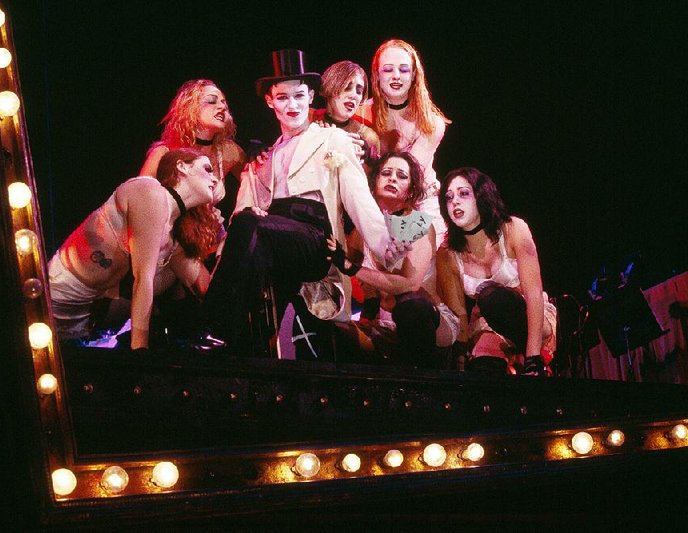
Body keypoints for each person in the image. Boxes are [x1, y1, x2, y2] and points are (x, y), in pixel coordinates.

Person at [196, 49, 405, 354]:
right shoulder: (262, 161)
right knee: (249, 224)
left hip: (315, 239)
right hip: (272, 240)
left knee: (254, 224)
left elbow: (358, 195)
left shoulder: (332, 139)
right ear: (270, 101)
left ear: (310, 97)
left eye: (298, 96)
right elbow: (241, 218)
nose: (291, 105)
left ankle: (217, 329)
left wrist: (386, 248)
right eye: (282, 98)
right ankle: (237, 345)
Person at [48, 148, 219, 350]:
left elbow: (206, 288)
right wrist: (140, 351)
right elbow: (143, 279)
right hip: (52, 298)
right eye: (207, 169)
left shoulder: (173, 238)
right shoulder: (148, 191)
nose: (215, 179)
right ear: (181, 167)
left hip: (80, 322)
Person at [327, 152, 458, 366]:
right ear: (373, 184)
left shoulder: (419, 224)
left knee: (411, 306)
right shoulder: (362, 231)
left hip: (430, 323)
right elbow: (340, 261)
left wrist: (352, 268)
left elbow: (410, 284)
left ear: (411, 191)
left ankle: (424, 386)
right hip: (388, 325)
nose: (393, 179)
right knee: (334, 331)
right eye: (386, 173)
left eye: (402, 176)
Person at [435, 167, 557, 375]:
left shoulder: (514, 229)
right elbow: (460, 315)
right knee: (484, 367)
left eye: (464, 193)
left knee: (493, 298)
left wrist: (533, 356)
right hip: (486, 322)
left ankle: (530, 357)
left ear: (481, 195)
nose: (454, 201)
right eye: (448, 197)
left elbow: (534, 292)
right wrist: (460, 360)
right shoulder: (447, 253)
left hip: (531, 314)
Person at [356, 39, 451, 245]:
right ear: (377, 75)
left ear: (414, 75)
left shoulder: (431, 123)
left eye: (404, 70)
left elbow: (405, 178)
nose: (396, 76)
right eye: (388, 69)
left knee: (416, 262)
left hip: (420, 202)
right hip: (375, 203)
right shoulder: (360, 114)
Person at [139, 79, 247, 225]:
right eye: (211, 101)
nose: (222, 106)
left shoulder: (229, 152)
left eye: (224, 102)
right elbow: (138, 201)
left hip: (209, 238)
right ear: (191, 107)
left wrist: (261, 157)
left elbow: (256, 185)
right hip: (169, 238)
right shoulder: (164, 153)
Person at [312, 60, 380, 168]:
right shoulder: (309, 119)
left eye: (359, 91)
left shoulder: (367, 137)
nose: (354, 95)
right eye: (347, 87)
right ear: (330, 87)